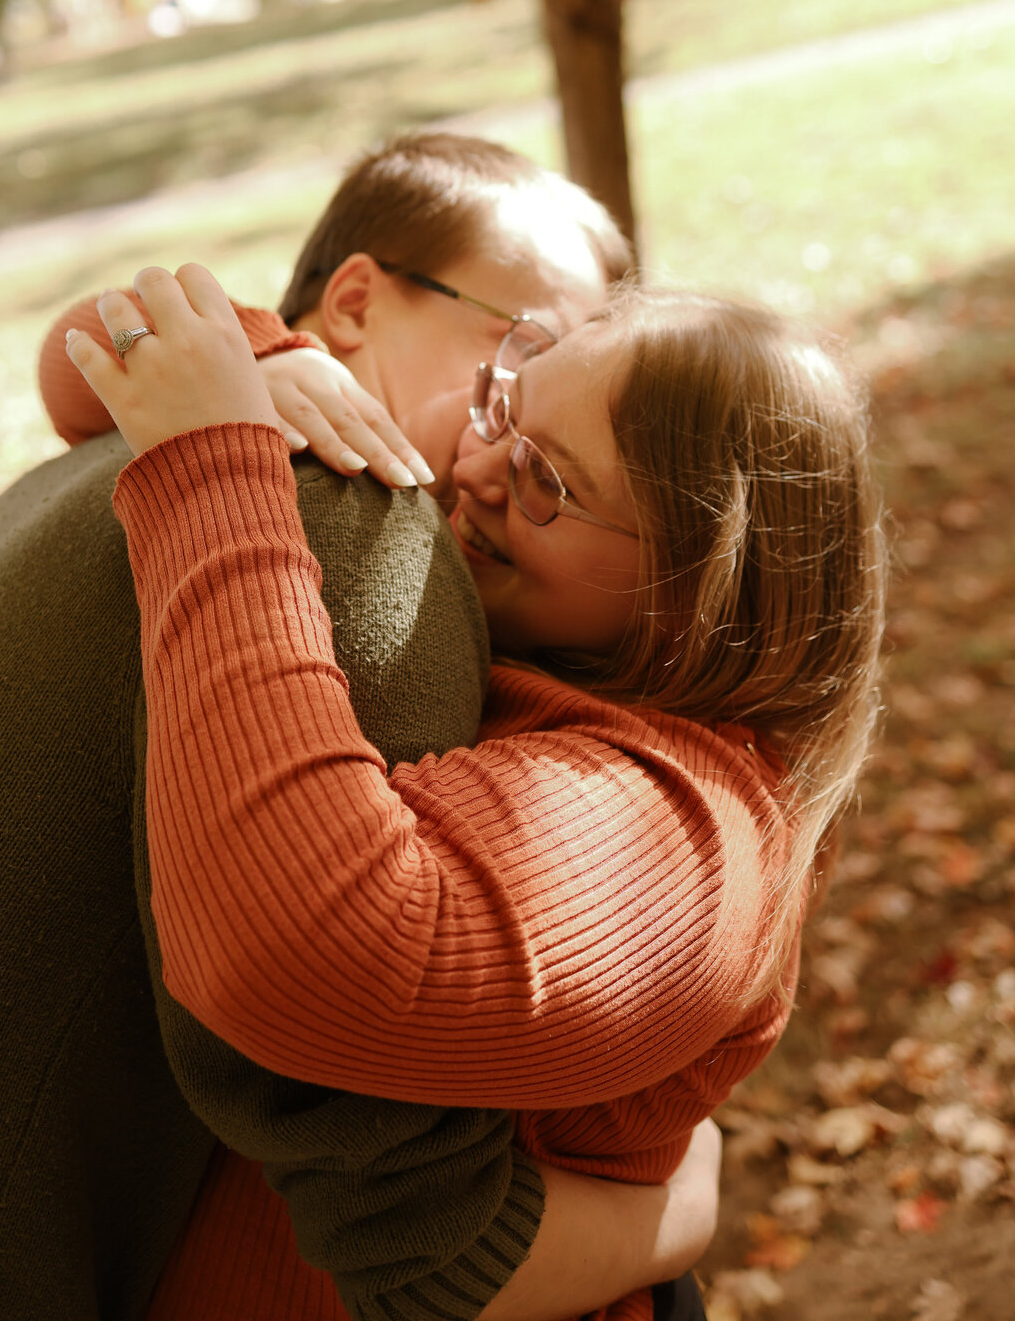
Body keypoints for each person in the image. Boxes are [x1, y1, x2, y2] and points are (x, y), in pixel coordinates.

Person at [0, 136, 714, 1321]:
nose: (525, 420)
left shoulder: (124, 447)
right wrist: (669, 1217)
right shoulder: (354, 528)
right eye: (523, 351)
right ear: (353, 300)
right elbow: (360, 1131)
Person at [64, 262, 887, 1321]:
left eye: (551, 481)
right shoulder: (525, 618)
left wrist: (212, 472)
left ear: (701, 595)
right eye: (507, 406)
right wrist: (271, 361)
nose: (480, 467)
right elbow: (79, 352)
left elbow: (299, 948)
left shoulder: (691, 840)